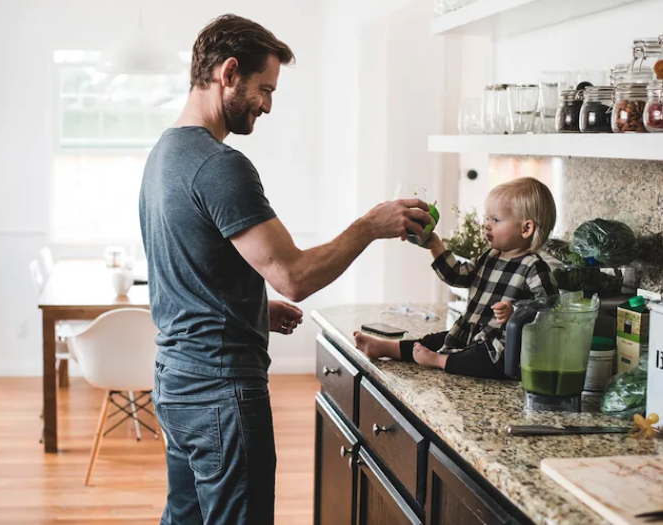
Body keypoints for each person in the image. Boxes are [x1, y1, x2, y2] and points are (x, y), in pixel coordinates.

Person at [139, 14, 433, 525]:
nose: (268, 105)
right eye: (264, 88)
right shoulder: (220, 165)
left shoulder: (165, 153)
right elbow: (294, 275)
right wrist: (369, 225)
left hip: (175, 377)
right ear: (228, 73)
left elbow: (184, 267)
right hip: (219, 388)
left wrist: (250, 306)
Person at [353, 177, 559, 378]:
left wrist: (516, 311)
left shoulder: (534, 267)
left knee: (480, 357)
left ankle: (439, 361)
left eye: (495, 220)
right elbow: (459, 277)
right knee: (436, 339)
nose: (486, 225)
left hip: (500, 345)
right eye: (487, 218)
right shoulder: (490, 256)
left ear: (526, 229)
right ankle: (384, 347)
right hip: (471, 331)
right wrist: (435, 245)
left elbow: (550, 307)